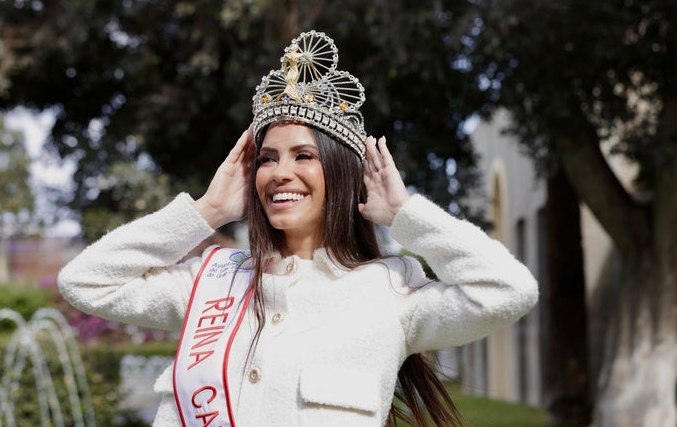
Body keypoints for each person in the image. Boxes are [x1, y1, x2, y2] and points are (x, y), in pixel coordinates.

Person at [58, 31, 539, 427]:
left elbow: (509, 290)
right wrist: (204, 212)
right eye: (267, 160)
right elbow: (85, 281)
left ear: (341, 173)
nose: (279, 173)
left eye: (303, 156)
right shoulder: (215, 280)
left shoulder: (391, 293)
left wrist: (406, 215)